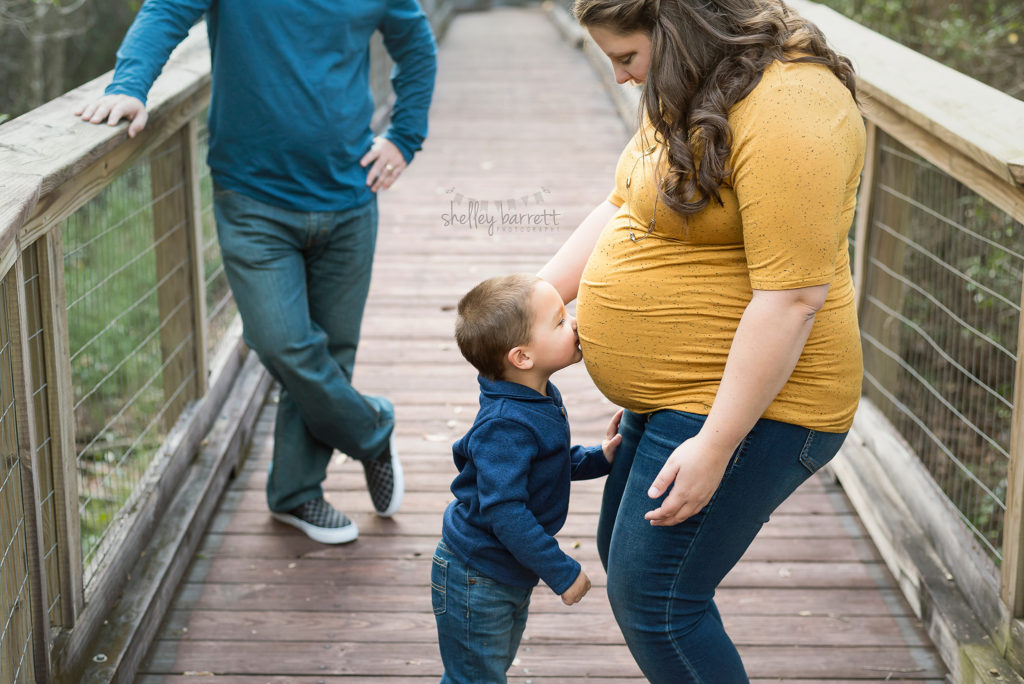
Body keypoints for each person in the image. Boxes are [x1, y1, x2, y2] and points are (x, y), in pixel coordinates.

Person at [537, 0, 865, 680]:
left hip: (764, 406)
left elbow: (794, 297)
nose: (624, 80)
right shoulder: (690, 85)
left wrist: (716, 444)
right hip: (685, 391)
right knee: (621, 553)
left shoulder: (793, 107)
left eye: (628, 58)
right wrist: (539, 298)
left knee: (657, 599)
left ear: (676, 28)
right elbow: (626, 201)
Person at [74, 1, 438, 543]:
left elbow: (416, 47)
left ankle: (296, 493)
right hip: (253, 198)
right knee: (283, 342)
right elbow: (168, 9)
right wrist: (130, 83)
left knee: (330, 350)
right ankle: (371, 428)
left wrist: (405, 134)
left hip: (351, 195)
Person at [433, 273, 623, 684]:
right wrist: (561, 570)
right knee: (475, 677)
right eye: (559, 321)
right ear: (522, 357)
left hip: (506, 571)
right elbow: (506, 512)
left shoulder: (535, 395)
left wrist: (600, 458)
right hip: (477, 576)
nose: (574, 322)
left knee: (485, 670)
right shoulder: (505, 426)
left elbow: (546, 463)